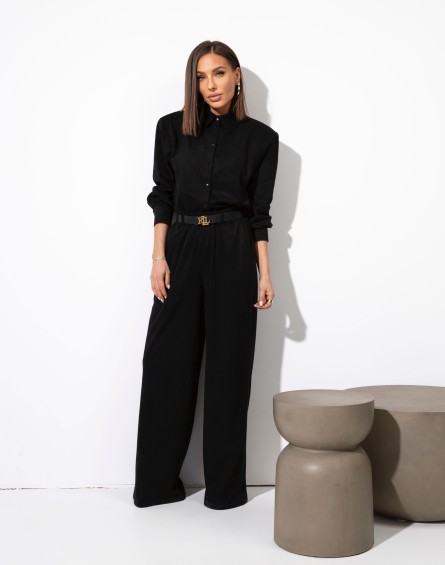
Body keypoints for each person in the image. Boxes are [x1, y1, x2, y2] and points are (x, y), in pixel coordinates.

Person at [133, 40, 279, 510]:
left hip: (234, 248)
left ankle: (224, 491)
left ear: (236, 75)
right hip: (181, 245)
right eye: (200, 77)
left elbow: (260, 214)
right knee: (166, 364)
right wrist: (158, 258)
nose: (210, 85)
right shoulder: (170, 129)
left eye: (218, 73)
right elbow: (162, 195)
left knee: (229, 368)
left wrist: (265, 273)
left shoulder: (262, 140)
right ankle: (156, 484)